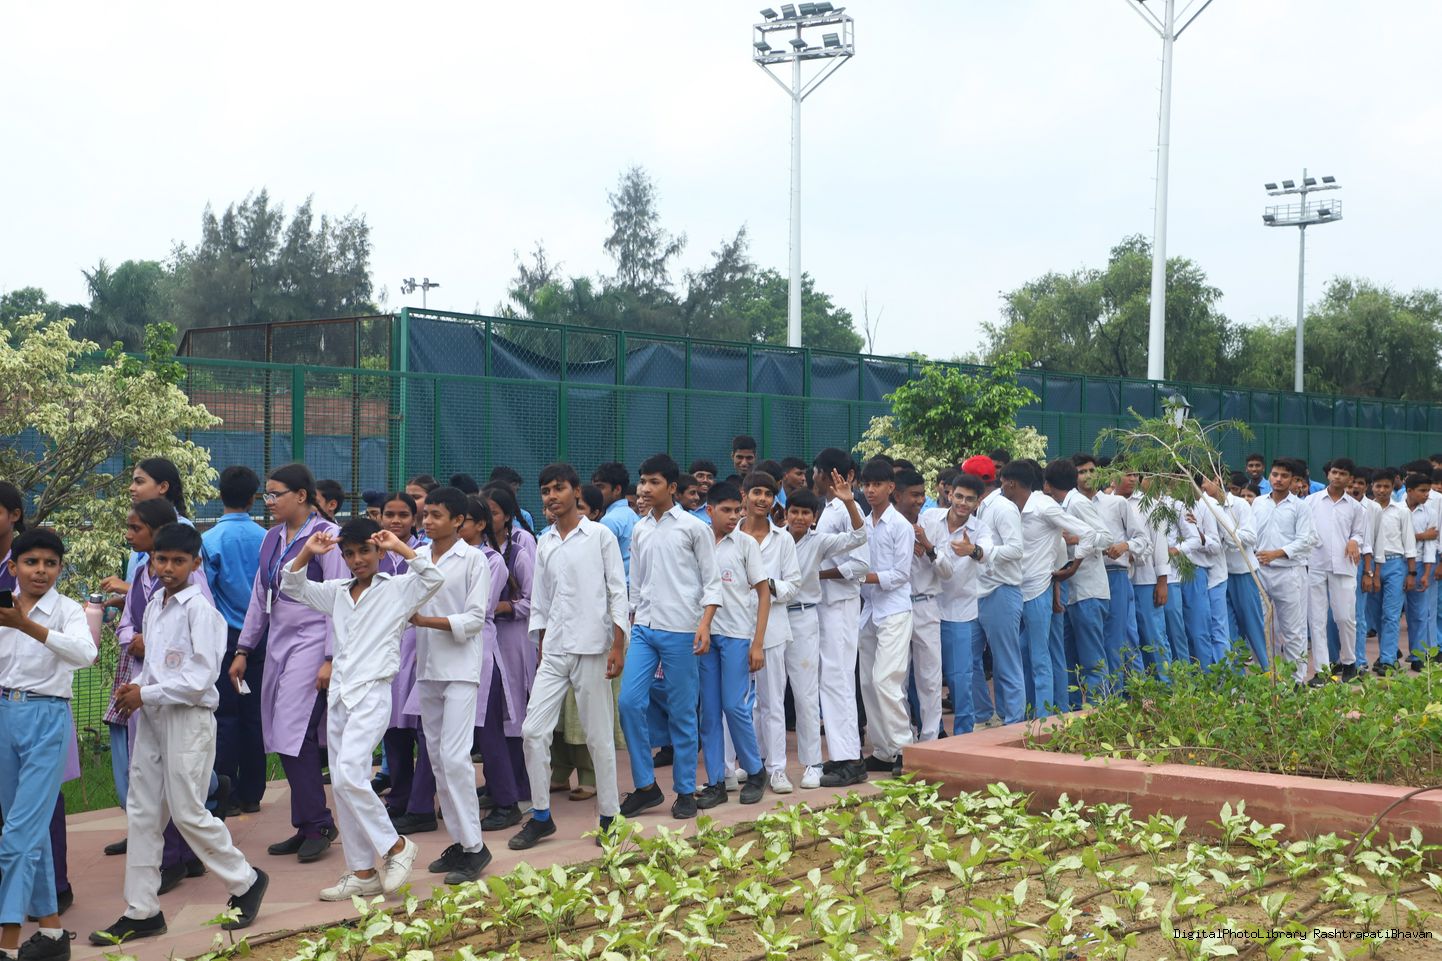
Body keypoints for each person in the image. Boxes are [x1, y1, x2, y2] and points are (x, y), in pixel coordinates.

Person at [90, 524, 268, 947]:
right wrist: (137, 690)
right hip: (153, 717)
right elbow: (155, 667)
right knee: (142, 812)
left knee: (187, 811)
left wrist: (146, 693)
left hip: (188, 719)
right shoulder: (154, 604)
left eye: (178, 561)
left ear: (195, 563)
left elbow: (200, 678)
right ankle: (142, 910)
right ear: (152, 561)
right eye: (161, 559)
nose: (168, 568)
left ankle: (246, 880)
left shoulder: (202, 611)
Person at [280, 520, 443, 899]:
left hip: (372, 693)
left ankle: (396, 847)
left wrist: (399, 546)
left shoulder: (397, 589)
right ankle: (362, 872)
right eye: (349, 554)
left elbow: (433, 578)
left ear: (379, 552)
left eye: (365, 551)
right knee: (341, 784)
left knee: (352, 774)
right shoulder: (337, 592)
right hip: (340, 696)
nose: (357, 560)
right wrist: (307, 551)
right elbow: (291, 586)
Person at [510, 464, 627, 850]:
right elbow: (541, 599)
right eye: (546, 490)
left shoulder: (600, 536)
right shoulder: (545, 541)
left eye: (558, 488)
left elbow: (617, 590)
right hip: (555, 649)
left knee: (598, 736)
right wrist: (542, 642)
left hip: (593, 647)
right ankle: (541, 817)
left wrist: (617, 644)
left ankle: (610, 816)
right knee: (533, 731)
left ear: (576, 491)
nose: (551, 496)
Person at [231, 464, 344, 863]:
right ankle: (306, 822)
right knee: (284, 732)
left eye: (275, 494)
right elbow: (259, 596)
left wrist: (330, 656)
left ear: (301, 495)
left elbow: (339, 599)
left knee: (295, 731)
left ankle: (319, 823)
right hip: (280, 641)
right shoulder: (271, 538)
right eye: (266, 494)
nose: (269, 501)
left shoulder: (327, 536)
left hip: (312, 640)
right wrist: (243, 649)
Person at [105, 498, 215, 887]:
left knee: (183, 800)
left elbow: (198, 665)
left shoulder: (197, 599)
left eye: (135, 528)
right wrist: (132, 648)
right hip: (147, 693)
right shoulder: (145, 584)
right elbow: (129, 625)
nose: (167, 568)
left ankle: (238, 876)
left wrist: (148, 669)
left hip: (181, 703)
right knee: (147, 796)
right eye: (161, 560)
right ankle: (152, 886)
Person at [0, 529, 96, 961]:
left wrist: (27, 626)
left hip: (47, 718)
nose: (40, 571)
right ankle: (53, 935)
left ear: (59, 568)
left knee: (17, 835)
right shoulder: (4, 606)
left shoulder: (67, 610)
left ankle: (7, 943)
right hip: (4, 714)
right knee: (25, 832)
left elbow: (85, 654)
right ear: (13, 567)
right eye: (31, 562)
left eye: (50, 563)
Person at [616, 454, 721, 821]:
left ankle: (685, 790)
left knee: (682, 711)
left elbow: (712, 582)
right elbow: (635, 583)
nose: (645, 488)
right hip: (644, 629)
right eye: (642, 481)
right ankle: (646, 787)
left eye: (654, 482)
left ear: (672, 487)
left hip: (683, 630)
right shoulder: (640, 529)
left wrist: (705, 624)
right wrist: (629, 625)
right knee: (629, 703)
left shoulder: (695, 528)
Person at [407, 487, 492, 883]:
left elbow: (474, 619)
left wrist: (424, 621)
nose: (427, 521)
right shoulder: (418, 557)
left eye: (436, 515)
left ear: (458, 521)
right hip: (428, 669)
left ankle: (475, 848)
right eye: (425, 514)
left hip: (461, 670)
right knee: (438, 758)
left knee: (456, 757)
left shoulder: (475, 559)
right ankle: (460, 841)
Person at [783, 480, 864, 789]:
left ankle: (838, 760)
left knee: (823, 686)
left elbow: (859, 538)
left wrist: (849, 502)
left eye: (806, 513)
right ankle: (773, 764)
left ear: (813, 517)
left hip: (815, 613)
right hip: (779, 617)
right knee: (771, 697)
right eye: (795, 512)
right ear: (786, 513)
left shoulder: (819, 539)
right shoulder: (776, 539)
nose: (800, 517)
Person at [695, 482, 770, 808]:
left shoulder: (745, 544)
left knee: (734, 706)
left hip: (738, 636)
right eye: (725, 510)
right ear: (709, 510)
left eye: (736, 510)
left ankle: (755, 771)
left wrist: (758, 643)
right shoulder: (696, 540)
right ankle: (715, 782)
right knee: (709, 712)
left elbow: (764, 593)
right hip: (704, 637)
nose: (732, 516)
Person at [203, 466, 268, 815]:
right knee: (253, 714)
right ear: (254, 498)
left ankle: (225, 791)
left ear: (219, 495)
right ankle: (253, 792)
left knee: (225, 714)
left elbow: (207, 592)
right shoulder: (266, 538)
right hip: (259, 636)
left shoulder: (210, 540)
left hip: (226, 637)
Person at [476, 485, 537, 831]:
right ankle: (498, 783)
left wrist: (504, 607)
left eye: (494, 512)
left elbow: (533, 600)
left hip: (512, 637)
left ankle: (521, 788)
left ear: (508, 515)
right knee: (493, 712)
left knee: (513, 709)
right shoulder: (479, 550)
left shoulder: (519, 552)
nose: (488, 519)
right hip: (488, 636)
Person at [738, 472, 802, 793]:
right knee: (736, 704)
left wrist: (766, 585)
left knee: (772, 702)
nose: (762, 499)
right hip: (734, 628)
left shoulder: (783, 539)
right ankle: (745, 765)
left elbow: (794, 585)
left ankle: (777, 768)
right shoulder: (731, 535)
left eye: (768, 494)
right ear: (744, 495)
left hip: (773, 630)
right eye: (757, 492)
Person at [811, 449, 871, 787]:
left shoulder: (850, 510)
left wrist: (817, 575)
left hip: (841, 604)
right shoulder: (828, 509)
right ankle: (841, 753)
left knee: (839, 680)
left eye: (818, 472)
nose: (814, 478)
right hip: (826, 604)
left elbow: (860, 564)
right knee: (831, 680)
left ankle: (852, 759)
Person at [856, 459, 914, 773]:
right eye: (866, 484)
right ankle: (883, 750)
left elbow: (901, 574)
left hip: (894, 611)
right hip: (869, 611)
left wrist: (864, 577)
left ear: (891, 487)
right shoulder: (863, 524)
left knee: (886, 681)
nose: (870, 490)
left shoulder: (900, 525)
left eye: (877, 484)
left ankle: (905, 749)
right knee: (867, 682)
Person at [1079, 455, 1151, 687]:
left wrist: (1124, 546)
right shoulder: (1070, 506)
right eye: (1081, 472)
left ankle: (1119, 697)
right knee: (1090, 643)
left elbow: (1143, 540)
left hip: (1114, 575)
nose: (1087, 476)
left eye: (1091, 471)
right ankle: (1097, 698)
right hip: (1083, 576)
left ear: (1100, 474)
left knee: (1117, 641)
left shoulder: (1116, 503)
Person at [1252, 459, 1320, 683]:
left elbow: (1307, 540)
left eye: (1284, 476)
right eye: (1275, 474)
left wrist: (1277, 553)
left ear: (1293, 480)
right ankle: (1266, 676)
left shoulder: (1301, 507)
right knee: (1262, 627)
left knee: (1292, 630)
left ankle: (1296, 680)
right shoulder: (1258, 503)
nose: (1278, 479)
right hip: (1260, 572)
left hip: (1289, 573)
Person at [926, 473, 983, 736]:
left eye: (969, 499)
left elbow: (986, 553)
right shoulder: (929, 519)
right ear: (949, 494)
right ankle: (933, 731)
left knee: (961, 678)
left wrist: (973, 550)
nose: (962, 503)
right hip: (927, 607)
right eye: (959, 496)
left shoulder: (979, 529)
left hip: (960, 611)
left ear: (977, 503)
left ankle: (964, 735)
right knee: (925, 677)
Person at [973, 460, 1027, 725]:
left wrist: (982, 553)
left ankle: (1014, 723)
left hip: (1001, 590)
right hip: (978, 592)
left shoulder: (1002, 507)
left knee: (1006, 663)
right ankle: (986, 715)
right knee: (967, 660)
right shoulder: (979, 507)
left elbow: (1016, 549)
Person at [1304, 459, 1365, 683]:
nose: (1337, 476)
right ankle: (1322, 671)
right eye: (1334, 472)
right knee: (1317, 619)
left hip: (1344, 565)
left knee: (1345, 617)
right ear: (1328, 474)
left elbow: (1360, 533)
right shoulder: (1311, 501)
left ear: (1350, 479)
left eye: (1343, 473)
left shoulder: (1356, 507)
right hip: (1315, 564)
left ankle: (1349, 663)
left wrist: (1354, 541)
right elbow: (1304, 530)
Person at [894, 469, 943, 745]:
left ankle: (931, 739)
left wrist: (928, 546)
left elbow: (947, 570)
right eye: (914, 495)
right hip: (896, 607)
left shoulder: (931, 524)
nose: (920, 500)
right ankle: (905, 741)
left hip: (926, 604)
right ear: (897, 495)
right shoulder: (887, 524)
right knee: (897, 678)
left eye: (922, 494)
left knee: (930, 678)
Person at [591, 463, 636, 578]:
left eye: (600, 487)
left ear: (617, 489)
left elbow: (598, 564)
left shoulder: (609, 521)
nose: (595, 493)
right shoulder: (633, 515)